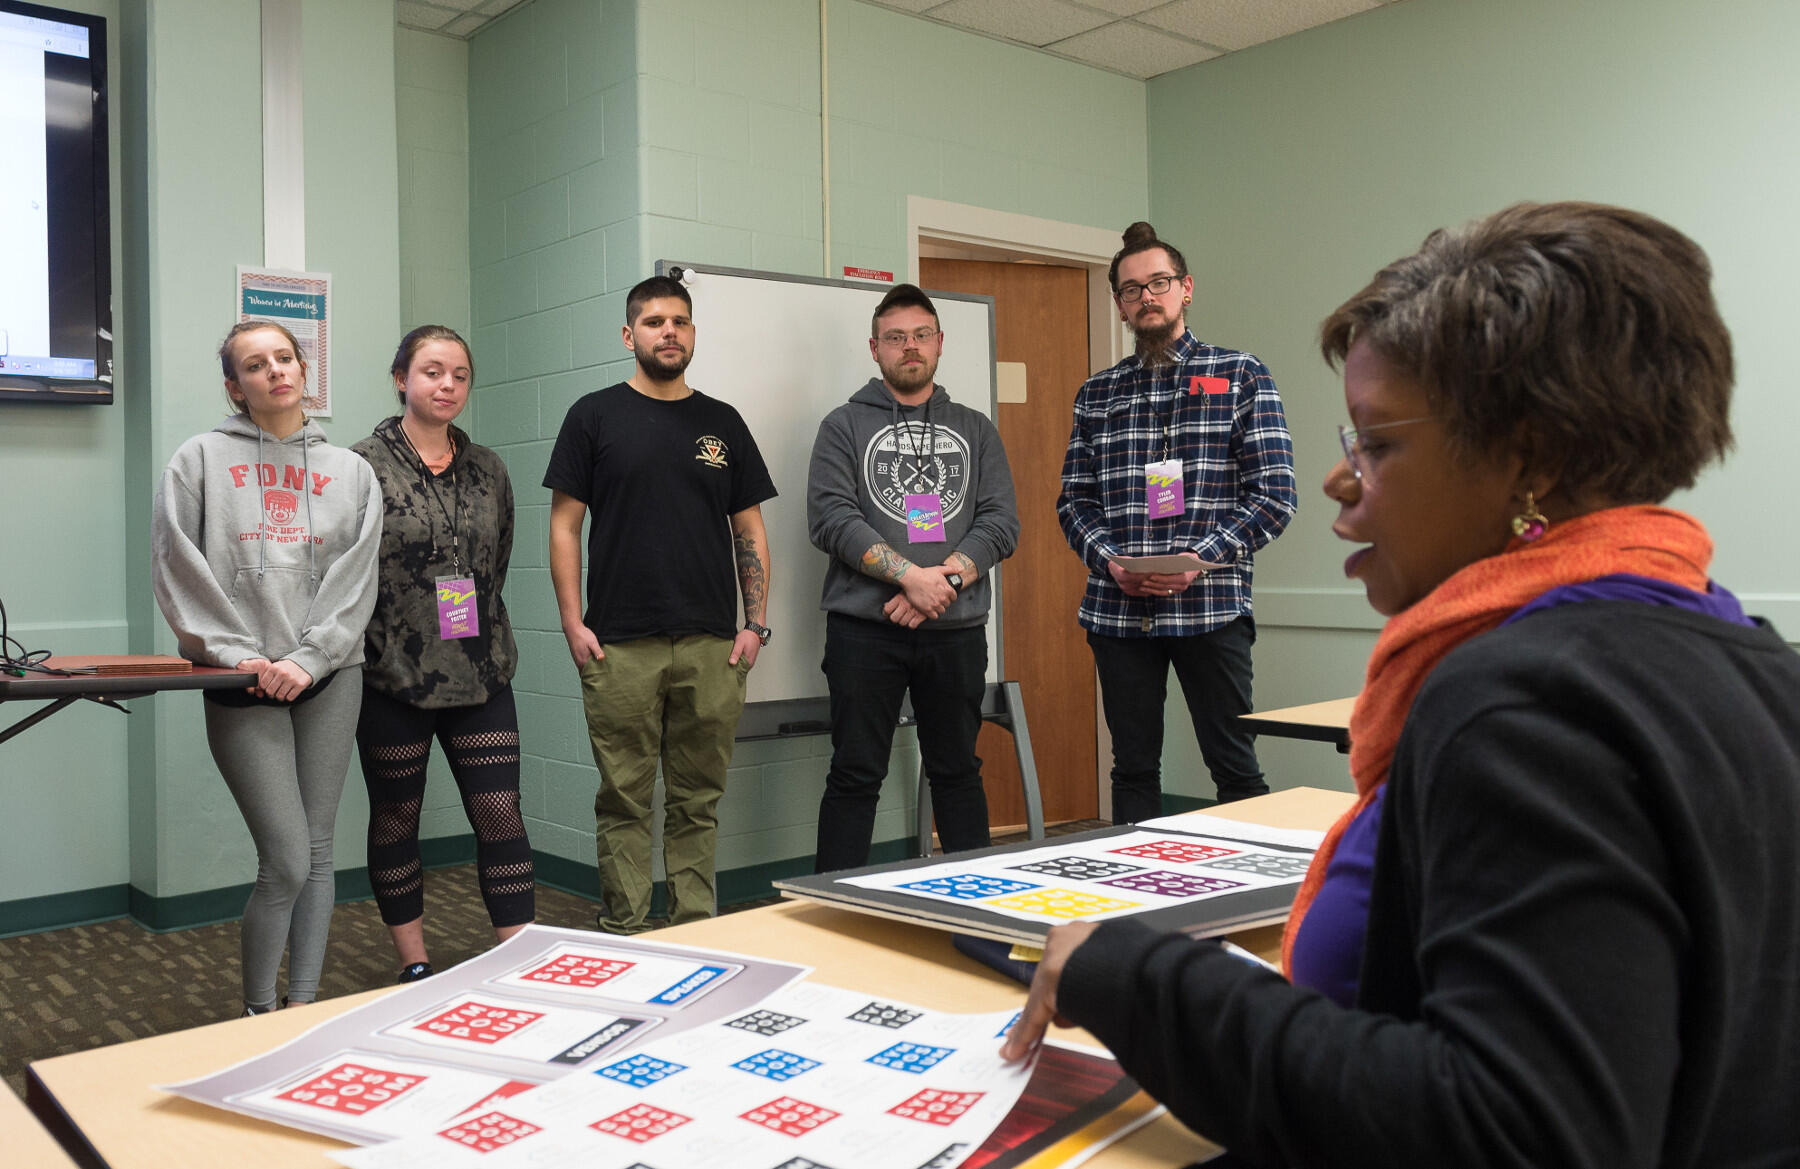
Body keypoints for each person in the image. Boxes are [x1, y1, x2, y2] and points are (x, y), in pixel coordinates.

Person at [1003, 202, 1800, 1166]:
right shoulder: (1751, 657)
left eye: (1377, 444)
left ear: (1530, 461)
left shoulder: (1523, 709)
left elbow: (1511, 1131)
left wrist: (1140, 978)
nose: (1343, 485)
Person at [151, 320, 382, 1016]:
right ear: (235, 385)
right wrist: (238, 656)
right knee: (283, 857)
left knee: (316, 852)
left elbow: (356, 578)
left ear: (303, 373)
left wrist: (309, 660)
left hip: (329, 677)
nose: (276, 371)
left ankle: (303, 1004)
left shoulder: (351, 471)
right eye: (257, 364)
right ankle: (256, 1014)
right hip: (239, 679)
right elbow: (176, 565)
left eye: (286, 358)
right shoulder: (197, 460)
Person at [544, 275, 776, 934]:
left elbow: (749, 529)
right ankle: (625, 926)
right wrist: (571, 620)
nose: (667, 331)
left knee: (697, 800)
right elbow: (565, 525)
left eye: (678, 320)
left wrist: (756, 623)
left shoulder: (723, 422)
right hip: (618, 642)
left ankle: (696, 925)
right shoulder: (593, 415)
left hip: (711, 643)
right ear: (629, 336)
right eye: (653, 322)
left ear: (693, 333)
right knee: (624, 797)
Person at [1057, 221, 1297, 821]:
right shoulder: (1097, 393)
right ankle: (1137, 904)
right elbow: (1073, 502)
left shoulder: (1240, 374)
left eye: (1159, 282)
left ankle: (1255, 903)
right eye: (1132, 289)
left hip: (1211, 607)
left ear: (1186, 288)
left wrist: (1198, 560)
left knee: (1235, 768)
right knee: (1132, 770)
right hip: (1118, 612)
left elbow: (1275, 494)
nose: (1147, 297)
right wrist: (1111, 561)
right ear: (1119, 305)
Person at [807, 283, 1020, 872]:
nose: (910, 348)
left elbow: (1002, 521)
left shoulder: (974, 427)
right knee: (855, 774)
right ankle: (834, 917)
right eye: (896, 338)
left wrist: (939, 585)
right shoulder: (842, 426)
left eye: (921, 336)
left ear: (940, 344)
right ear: (874, 348)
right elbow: (831, 519)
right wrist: (907, 577)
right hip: (864, 635)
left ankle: (974, 914)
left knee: (957, 772)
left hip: (954, 632)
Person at [351, 326, 533, 983]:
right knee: (398, 815)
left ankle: (518, 954)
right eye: (431, 371)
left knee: (500, 809)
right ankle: (415, 959)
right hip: (388, 675)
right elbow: (343, 571)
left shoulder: (489, 467)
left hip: (482, 671)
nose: (446, 385)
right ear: (401, 377)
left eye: (459, 374)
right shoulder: (360, 464)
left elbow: (497, 559)